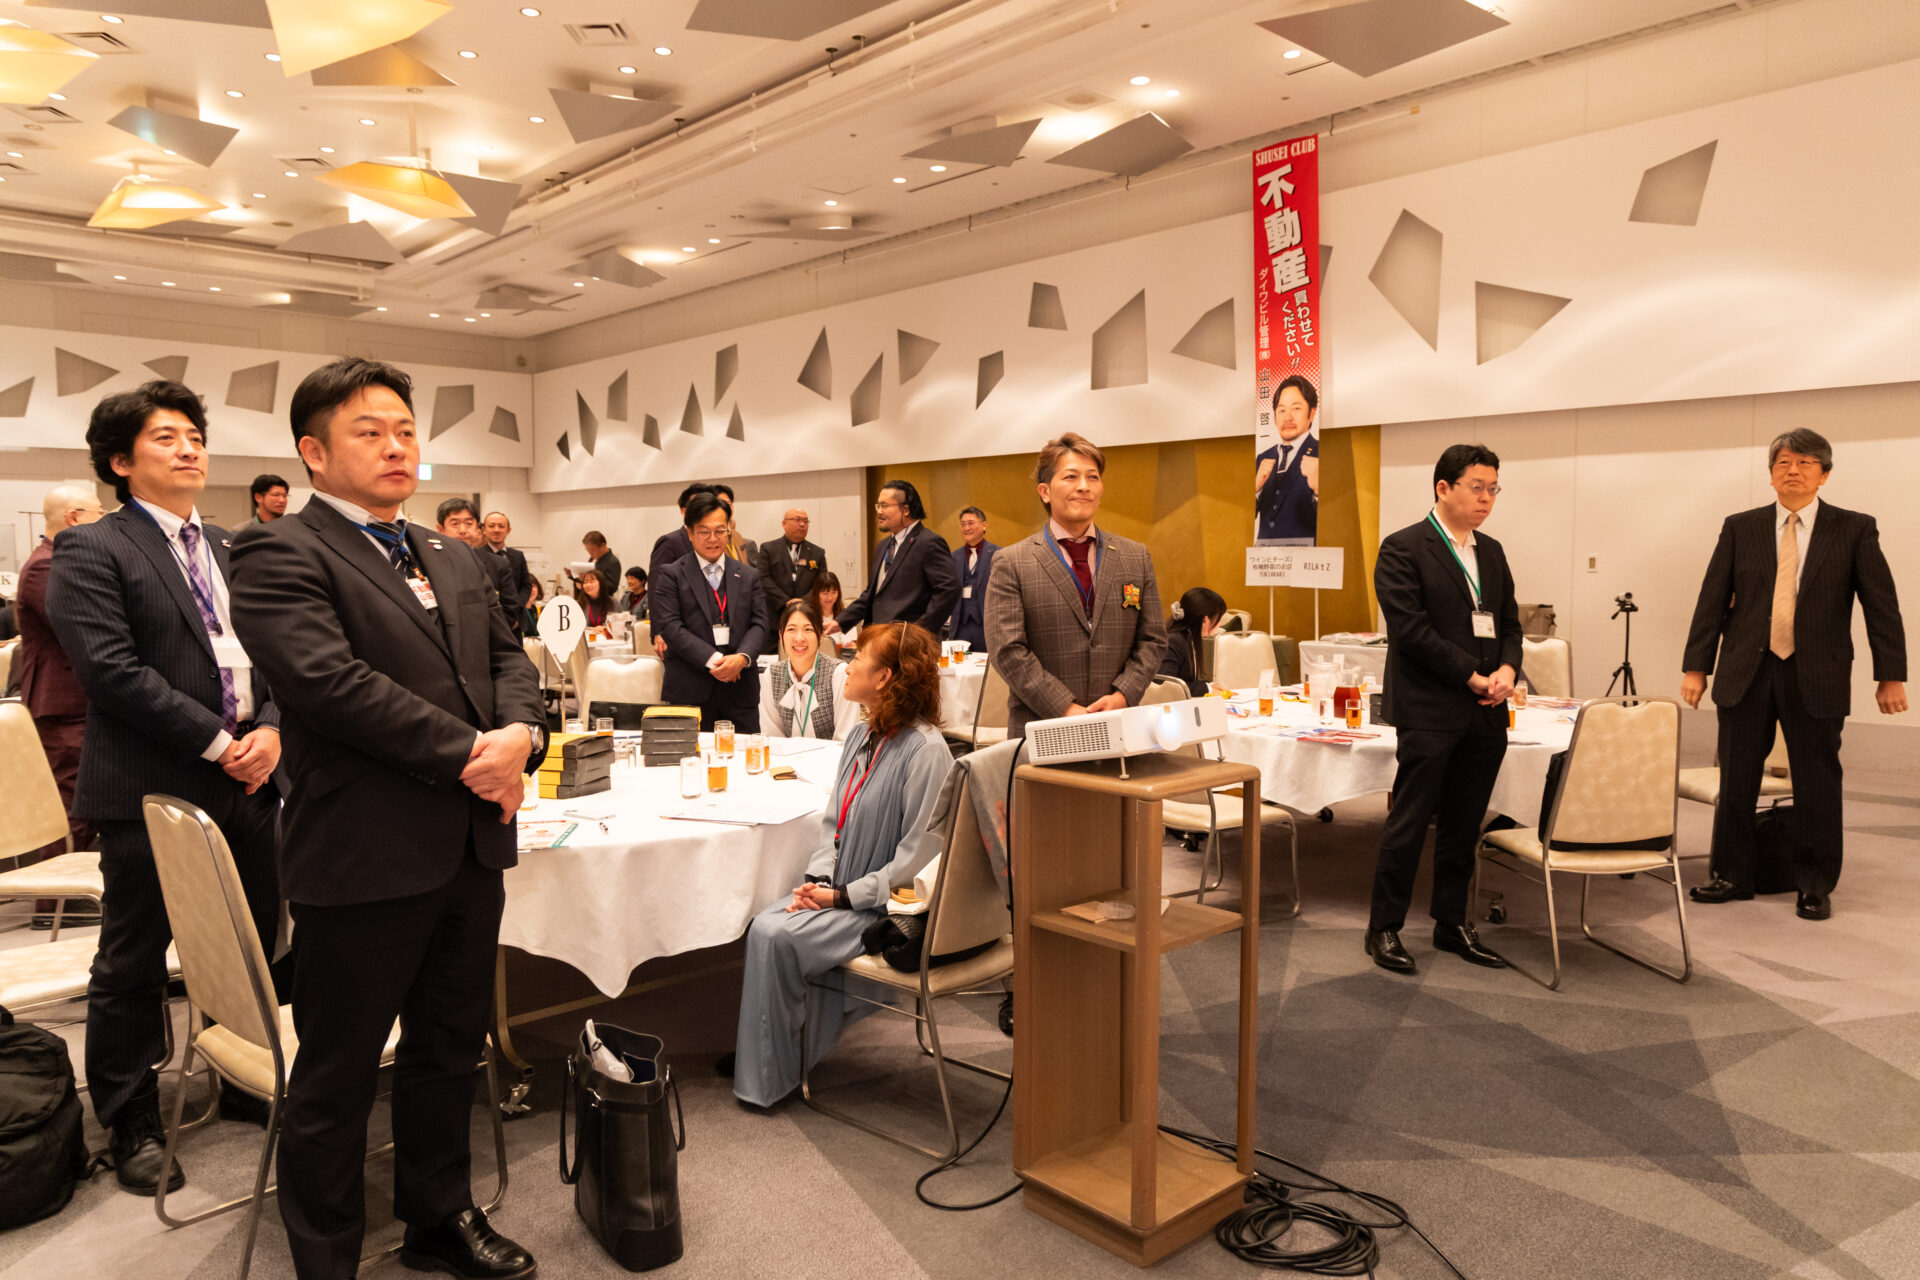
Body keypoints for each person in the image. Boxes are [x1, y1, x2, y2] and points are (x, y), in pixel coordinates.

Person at [229, 356, 545, 1280]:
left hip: (469, 844)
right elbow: (331, 686)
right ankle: (325, 1254)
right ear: (313, 452)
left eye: (405, 430)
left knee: (449, 1047)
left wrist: (523, 732)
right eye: (369, 432)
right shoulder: (278, 551)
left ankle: (437, 1218)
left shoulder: (452, 553)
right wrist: (476, 753)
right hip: (363, 851)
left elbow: (508, 659)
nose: (396, 446)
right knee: (339, 1070)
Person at [47, 380, 284, 1196]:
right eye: (165, 437)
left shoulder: (230, 545)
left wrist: (271, 730)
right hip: (153, 784)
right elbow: (111, 672)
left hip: (252, 778)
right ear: (120, 462)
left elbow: (275, 654)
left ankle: (246, 1073)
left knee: (249, 944)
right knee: (135, 957)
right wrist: (221, 743)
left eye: (195, 436)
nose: (188, 449)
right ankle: (131, 1115)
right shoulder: (92, 547)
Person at [1682, 429, 1905, 920]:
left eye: (1805, 462)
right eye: (1783, 462)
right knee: (1736, 778)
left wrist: (1890, 675)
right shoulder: (1740, 527)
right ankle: (1731, 874)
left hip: (1818, 672)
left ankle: (1814, 883)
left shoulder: (1854, 529)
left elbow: (1881, 607)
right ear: (1771, 474)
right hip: (1747, 670)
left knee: (1817, 782)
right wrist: (1697, 667)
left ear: (1824, 475)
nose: (1793, 470)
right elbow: (1711, 600)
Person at [731, 622, 952, 1107]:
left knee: (772, 933)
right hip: (842, 892)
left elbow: (917, 863)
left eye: (858, 659)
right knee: (766, 924)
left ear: (885, 677)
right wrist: (817, 881)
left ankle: (769, 1068)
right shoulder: (859, 736)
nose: (847, 666)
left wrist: (843, 896)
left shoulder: (927, 752)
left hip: (884, 910)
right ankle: (773, 1057)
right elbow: (834, 824)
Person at [1364, 444, 1522, 976]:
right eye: (1477, 487)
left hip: (1486, 709)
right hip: (1430, 708)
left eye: (1493, 489)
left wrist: (1508, 669)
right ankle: (1383, 927)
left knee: (1464, 823)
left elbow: (1510, 623)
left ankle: (1451, 923)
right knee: (1410, 821)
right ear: (1443, 488)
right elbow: (1410, 630)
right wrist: (1470, 674)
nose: (1486, 498)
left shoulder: (1492, 551)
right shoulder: (1404, 547)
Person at [983, 434, 1167, 738]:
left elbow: (1153, 640)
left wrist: (1123, 695)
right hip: (1043, 729)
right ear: (1045, 491)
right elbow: (1007, 650)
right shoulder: (1012, 562)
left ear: (1101, 489)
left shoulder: (1135, 556)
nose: (1084, 486)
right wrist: (1066, 708)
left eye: (1092, 477)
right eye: (1070, 477)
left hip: (1119, 725)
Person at [16, 483, 104, 868]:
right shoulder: (45, 566)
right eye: (99, 514)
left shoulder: (62, 562)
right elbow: (82, 626)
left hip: (79, 702)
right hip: (64, 704)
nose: (104, 522)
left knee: (87, 801)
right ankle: (53, 894)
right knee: (71, 805)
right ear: (74, 518)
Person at [651, 491, 771, 731]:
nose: (712, 539)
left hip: (740, 690)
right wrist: (716, 661)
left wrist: (741, 658)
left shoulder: (748, 575)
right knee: (694, 754)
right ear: (690, 533)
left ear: (729, 530)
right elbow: (671, 627)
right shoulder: (672, 574)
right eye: (704, 532)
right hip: (691, 690)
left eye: (720, 531)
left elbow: (760, 623)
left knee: (744, 753)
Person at [830, 480, 958, 644]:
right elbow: (872, 595)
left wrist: (920, 632)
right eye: (878, 506)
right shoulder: (883, 546)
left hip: (911, 645)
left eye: (884, 506)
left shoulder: (928, 543)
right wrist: (840, 622)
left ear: (906, 509)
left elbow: (949, 590)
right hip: (879, 641)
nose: (879, 511)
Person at [759, 600, 855, 741]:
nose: (799, 638)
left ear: (820, 636)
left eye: (808, 629)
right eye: (791, 629)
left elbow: (846, 739)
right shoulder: (772, 674)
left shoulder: (839, 673)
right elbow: (771, 736)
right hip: (786, 756)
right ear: (781, 636)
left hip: (832, 755)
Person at [437, 497, 520, 637]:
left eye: (469, 523)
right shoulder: (428, 563)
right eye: (455, 524)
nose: (463, 530)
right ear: (441, 529)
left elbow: (509, 610)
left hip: (488, 640)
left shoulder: (499, 564)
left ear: (478, 528)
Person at [1254, 375, 1320, 545]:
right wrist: (1255, 490)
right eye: (1282, 410)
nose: (1288, 417)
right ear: (1274, 416)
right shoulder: (1262, 457)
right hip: (1265, 557)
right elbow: (1245, 517)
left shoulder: (1322, 454)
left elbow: (1336, 520)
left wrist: (1318, 491)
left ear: (1311, 413)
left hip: (1305, 557)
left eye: (1296, 409)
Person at [756, 507, 828, 617]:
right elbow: (763, 578)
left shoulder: (817, 552)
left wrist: (804, 601)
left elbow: (822, 582)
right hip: (776, 612)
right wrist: (785, 601)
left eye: (805, 521)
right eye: (797, 520)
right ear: (784, 524)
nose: (802, 524)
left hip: (808, 612)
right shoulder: (768, 549)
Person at [1160, 587, 1229, 696]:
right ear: (1205, 620)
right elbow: (1167, 686)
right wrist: (1206, 689)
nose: (1220, 624)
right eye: (1218, 618)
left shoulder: (1188, 637)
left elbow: (1185, 680)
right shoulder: (1174, 641)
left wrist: (1208, 686)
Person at [948, 505, 998, 654]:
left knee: (985, 664)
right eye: (963, 524)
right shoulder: (954, 557)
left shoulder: (997, 554)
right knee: (959, 663)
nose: (966, 528)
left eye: (970, 523)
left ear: (984, 525)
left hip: (985, 625)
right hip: (960, 626)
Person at [481, 510, 531, 616]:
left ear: (508, 530)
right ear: (484, 529)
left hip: (517, 615)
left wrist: (515, 609)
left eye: (501, 526)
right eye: (491, 526)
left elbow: (526, 586)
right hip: (490, 615)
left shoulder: (518, 556)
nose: (496, 530)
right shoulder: (477, 556)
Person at [805, 570, 851, 657]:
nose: (830, 598)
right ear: (816, 594)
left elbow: (850, 644)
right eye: (825, 593)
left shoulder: (845, 615)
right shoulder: (808, 616)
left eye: (834, 593)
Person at [577, 529, 620, 599]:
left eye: (593, 551)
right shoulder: (593, 559)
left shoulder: (613, 562)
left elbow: (612, 587)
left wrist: (593, 582)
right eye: (588, 552)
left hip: (604, 601)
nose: (591, 555)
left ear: (603, 545)